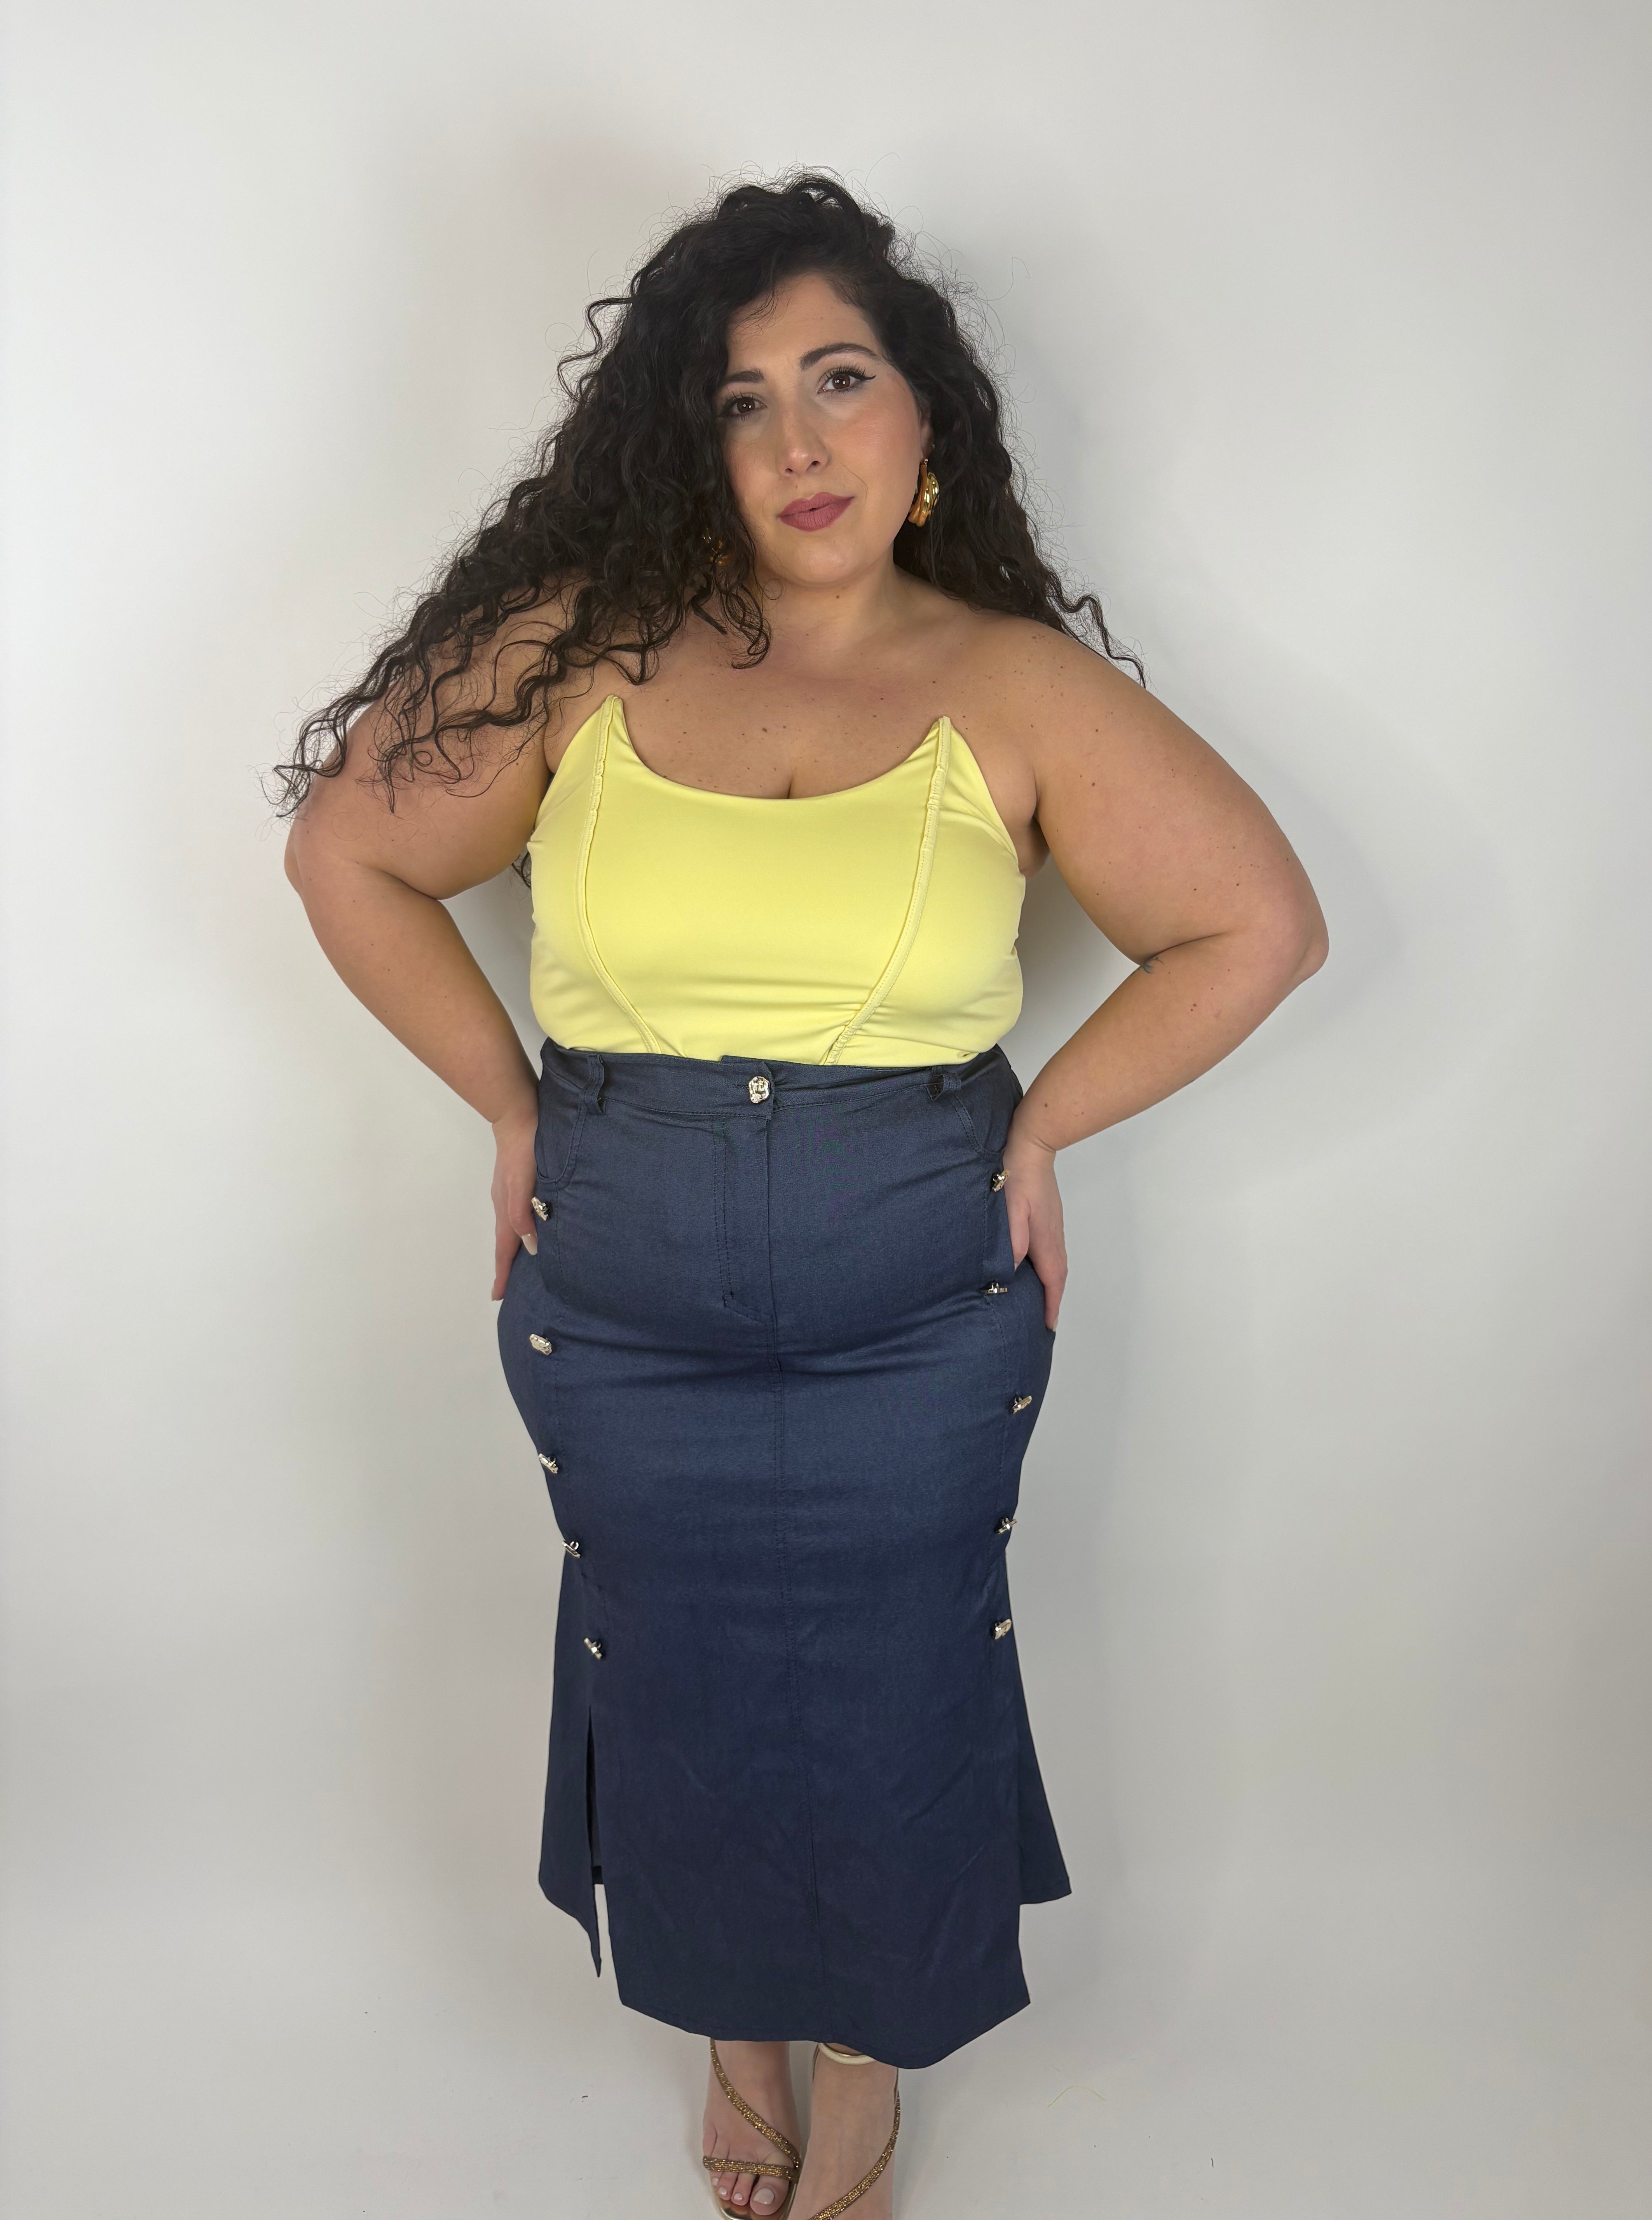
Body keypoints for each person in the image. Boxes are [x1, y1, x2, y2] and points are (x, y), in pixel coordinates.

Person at [277, 172, 1327, 2220]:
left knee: (898, 1671)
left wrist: (1042, 1126)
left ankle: (862, 2054)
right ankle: (730, 2034)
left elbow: (1254, 928)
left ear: (927, 415)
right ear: (694, 443)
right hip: (621, 1291)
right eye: (743, 401)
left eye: (840, 380)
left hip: (920, 1298)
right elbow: (349, 853)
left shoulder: (1016, 688)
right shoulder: (584, 656)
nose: (799, 441)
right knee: (665, 1660)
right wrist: (506, 1104)